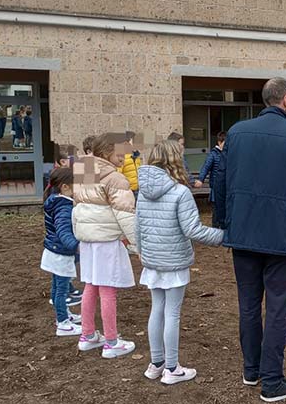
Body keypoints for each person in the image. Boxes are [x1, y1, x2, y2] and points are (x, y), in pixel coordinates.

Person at [220, 77, 286, 403]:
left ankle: (252, 369)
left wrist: (225, 223)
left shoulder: (236, 133)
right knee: (277, 308)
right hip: (283, 236)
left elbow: (222, 181)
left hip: (244, 233)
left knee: (249, 304)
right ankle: (272, 380)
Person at [136, 140, 225, 385]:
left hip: (153, 261)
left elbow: (138, 226)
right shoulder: (180, 192)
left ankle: (156, 364)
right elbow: (193, 230)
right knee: (172, 314)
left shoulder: (142, 191)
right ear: (175, 159)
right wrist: (224, 237)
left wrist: (143, 253)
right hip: (173, 262)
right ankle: (172, 368)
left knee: (157, 309)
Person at [72, 133, 138, 359]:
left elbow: (77, 205)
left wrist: (78, 232)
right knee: (108, 289)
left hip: (87, 240)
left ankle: (88, 335)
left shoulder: (84, 171)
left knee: (91, 285)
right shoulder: (116, 179)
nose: (124, 158)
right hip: (106, 240)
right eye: (120, 153)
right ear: (107, 152)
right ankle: (111, 341)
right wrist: (138, 245)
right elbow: (126, 215)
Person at [42, 167, 81, 337]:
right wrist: (76, 246)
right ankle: (63, 323)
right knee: (61, 291)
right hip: (61, 254)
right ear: (65, 186)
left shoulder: (54, 200)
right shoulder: (64, 206)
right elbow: (63, 231)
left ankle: (64, 315)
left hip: (53, 250)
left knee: (56, 287)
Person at [195, 131, 227, 228]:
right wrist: (201, 179)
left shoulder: (228, 154)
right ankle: (215, 229)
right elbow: (206, 167)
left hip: (226, 187)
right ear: (219, 142)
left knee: (225, 210)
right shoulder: (213, 154)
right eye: (225, 143)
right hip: (216, 188)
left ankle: (224, 228)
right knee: (216, 211)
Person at [118, 131, 142, 197]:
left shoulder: (136, 156)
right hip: (128, 190)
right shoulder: (122, 157)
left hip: (138, 189)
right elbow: (119, 174)